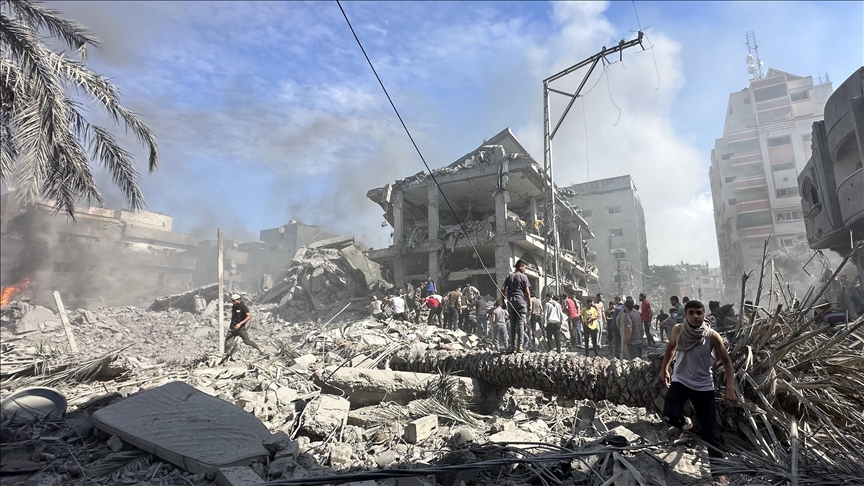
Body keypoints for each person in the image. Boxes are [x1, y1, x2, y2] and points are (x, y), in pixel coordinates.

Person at [660, 300, 737, 460]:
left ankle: (719, 470)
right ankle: (684, 424)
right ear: (685, 315)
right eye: (691, 313)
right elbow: (671, 347)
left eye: (699, 313)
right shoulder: (678, 330)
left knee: (710, 431)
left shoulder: (712, 336)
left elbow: (727, 362)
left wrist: (730, 387)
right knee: (669, 414)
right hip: (680, 381)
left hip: (703, 386)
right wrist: (665, 368)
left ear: (704, 314)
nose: (695, 316)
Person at [501, 259, 532, 354]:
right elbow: (527, 292)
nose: (525, 270)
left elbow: (503, 288)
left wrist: (503, 302)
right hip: (521, 302)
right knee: (520, 324)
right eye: (524, 268)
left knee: (512, 325)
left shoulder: (510, 276)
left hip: (511, 302)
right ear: (520, 267)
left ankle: (512, 346)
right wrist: (529, 305)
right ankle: (520, 347)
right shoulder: (524, 277)